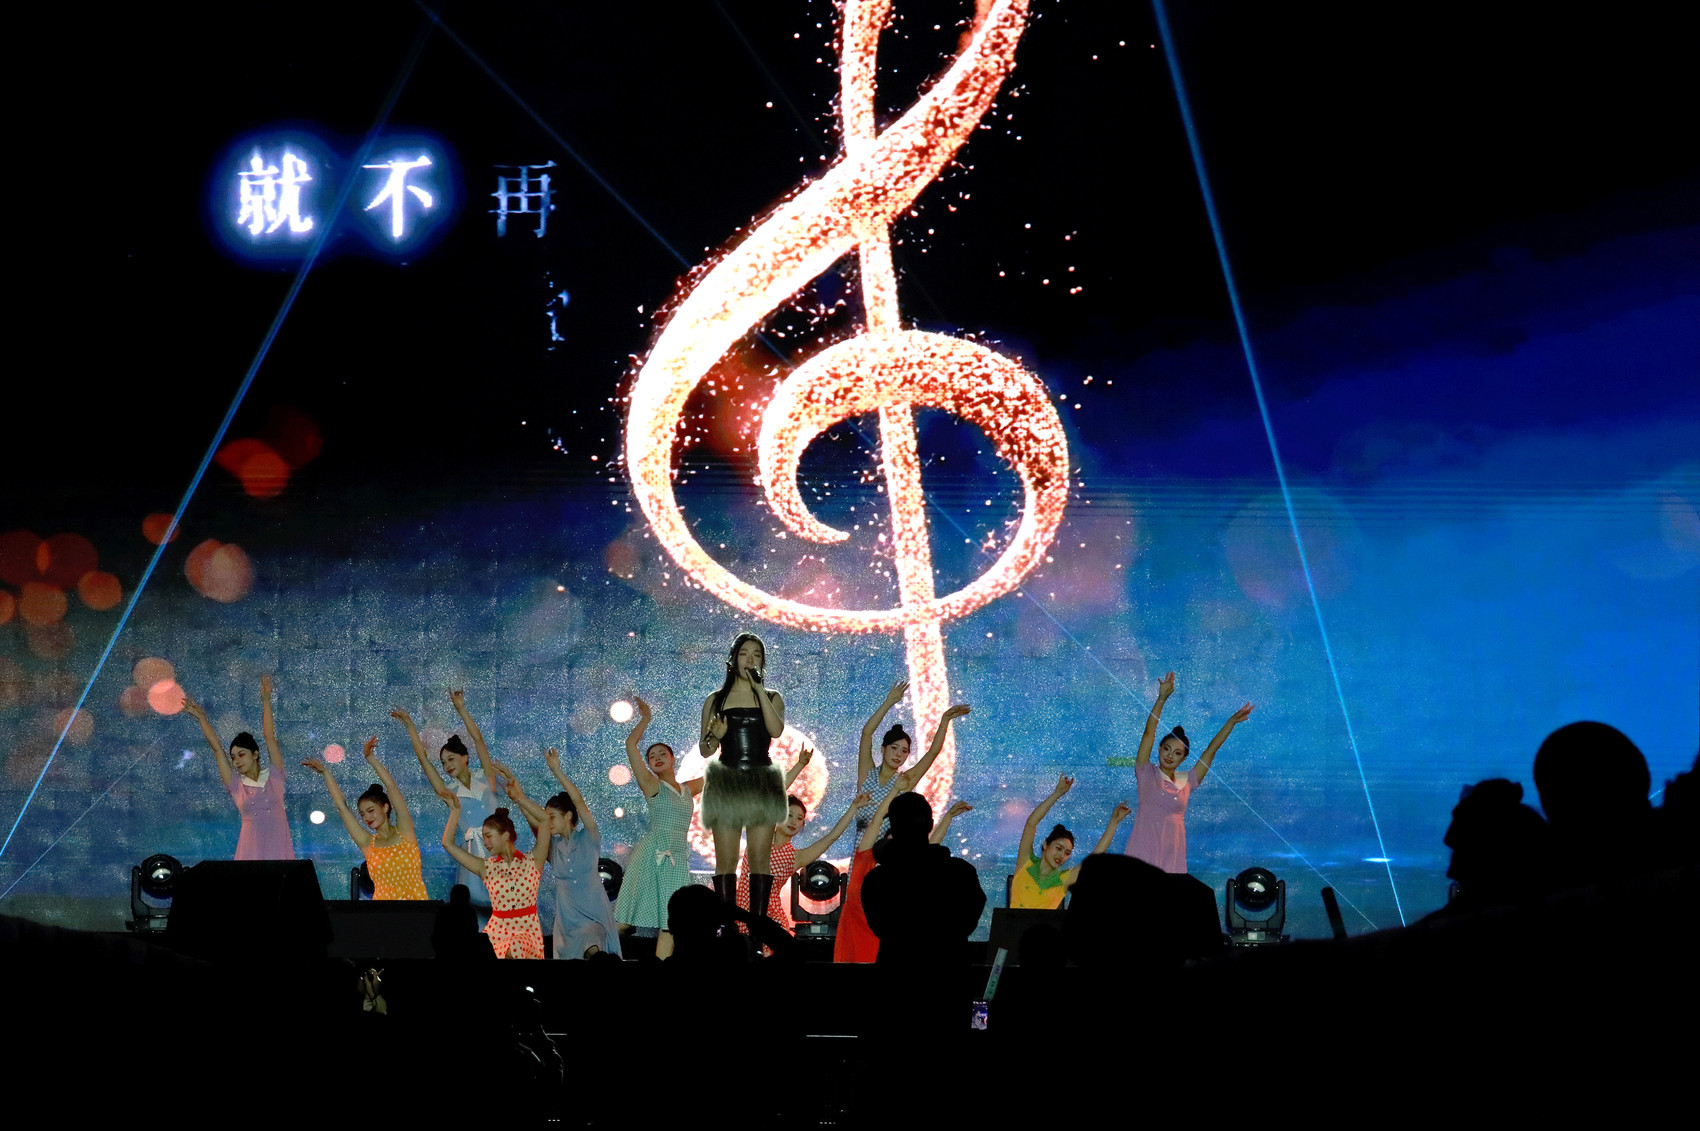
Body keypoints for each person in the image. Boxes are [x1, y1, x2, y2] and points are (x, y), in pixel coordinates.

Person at [1121, 672, 1253, 873]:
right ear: (1159, 749)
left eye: (1177, 753)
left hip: (1172, 859)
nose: (1170, 755)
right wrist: (1161, 698)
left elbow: (1211, 750)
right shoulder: (1146, 772)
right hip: (1142, 855)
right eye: (1166, 749)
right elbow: (1148, 734)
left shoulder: (1188, 780)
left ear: (1183, 758)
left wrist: (1231, 723)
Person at [699, 632, 791, 917]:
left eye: (756, 655)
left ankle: (757, 932)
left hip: (762, 781)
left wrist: (759, 689)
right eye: (744, 654)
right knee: (726, 863)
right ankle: (727, 928)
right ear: (733, 659)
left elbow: (775, 730)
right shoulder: (716, 699)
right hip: (726, 781)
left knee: (759, 861)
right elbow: (705, 750)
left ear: (762, 662)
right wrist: (715, 736)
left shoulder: (772, 697)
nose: (750, 660)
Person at [500, 747, 623, 959]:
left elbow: (578, 800)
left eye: (552, 817)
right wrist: (518, 796)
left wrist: (556, 770)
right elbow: (533, 821)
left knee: (593, 943)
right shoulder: (553, 846)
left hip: (594, 914)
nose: (547, 821)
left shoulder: (589, 836)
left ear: (568, 816)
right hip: (568, 920)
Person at [392, 692, 506, 920]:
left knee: (503, 904)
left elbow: (479, 740)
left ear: (465, 758)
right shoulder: (448, 791)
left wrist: (460, 708)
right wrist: (410, 726)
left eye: (451, 759)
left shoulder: (486, 777)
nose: (446, 766)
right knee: (475, 911)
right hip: (471, 853)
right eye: (443, 763)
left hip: (498, 848)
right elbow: (423, 759)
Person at [612, 697, 701, 953]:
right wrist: (646, 719)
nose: (657, 758)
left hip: (677, 856)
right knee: (624, 921)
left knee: (670, 923)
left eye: (663, 754)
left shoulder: (687, 789)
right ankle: (593, 952)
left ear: (673, 759)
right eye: (652, 756)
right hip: (653, 853)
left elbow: (717, 774)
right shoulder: (652, 785)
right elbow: (630, 745)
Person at [860, 791, 987, 968]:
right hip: (950, 972)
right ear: (930, 825)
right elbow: (968, 922)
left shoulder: (877, 880)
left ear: (893, 829)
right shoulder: (962, 872)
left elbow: (880, 928)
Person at [179, 674, 294, 860]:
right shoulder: (236, 784)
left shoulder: (275, 776)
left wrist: (266, 700)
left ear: (255, 754)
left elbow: (270, 737)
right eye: (233, 758)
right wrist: (202, 718)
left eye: (241, 755)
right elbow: (217, 749)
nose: (237, 761)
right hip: (250, 851)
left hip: (278, 848)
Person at [301, 735, 428, 900]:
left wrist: (370, 758)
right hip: (383, 911)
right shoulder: (368, 843)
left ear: (385, 807)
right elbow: (342, 807)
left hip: (416, 909)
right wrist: (326, 773)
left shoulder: (405, 832)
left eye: (370, 810)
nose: (366, 817)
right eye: (362, 814)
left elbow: (392, 787)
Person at [738, 784, 873, 932]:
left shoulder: (795, 857)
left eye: (799, 818)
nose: (793, 821)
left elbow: (831, 837)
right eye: (789, 815)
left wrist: (854, 807)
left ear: (802, 824)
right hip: (741, 915)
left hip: (771, 921)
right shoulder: (758, 838)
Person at [853, 681, 970, 837]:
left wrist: (944, 721)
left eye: (904, 751)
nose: (898, 754)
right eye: (894, 748)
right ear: (883, 749)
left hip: (890, 851)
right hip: (861, 850)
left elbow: (932, 752)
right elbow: (867, 733)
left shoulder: (904, 781)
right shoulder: (867, 774)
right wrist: (889, 702)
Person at [440, 800, 549, 959]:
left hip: (526, 932)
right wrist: (455, 810)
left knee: (515, 948)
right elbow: (447, 844)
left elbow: (545, 820)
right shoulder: (486, 867)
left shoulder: (532, 861)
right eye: (483, 837)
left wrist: (518, 797)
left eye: (489, 836)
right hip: (497, 932)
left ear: (505, 835)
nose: (485, 843)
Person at [1012, 775, 1131, 909]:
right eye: (1059, 848)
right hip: (1012, 922)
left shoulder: (1064, 879)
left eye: (1067, 853)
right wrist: (1057, 793)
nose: (1061, 855)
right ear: (1045, 844)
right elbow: (1031, 824)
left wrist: (1114, 821)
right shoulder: (1025, 863)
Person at [832, 788, 903, 963]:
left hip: (882, 947)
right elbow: (876, 821)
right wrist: (896, 789)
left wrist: (947, 818)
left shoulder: (902, 878)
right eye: (888, 841)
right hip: (852, 943)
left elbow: (932, 843)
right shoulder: (864, 860)